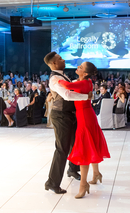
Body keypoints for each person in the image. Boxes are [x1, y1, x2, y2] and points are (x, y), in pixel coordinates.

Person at [56, 61, 110, 199]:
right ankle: (96, 173)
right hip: (86, 115)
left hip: (85, 117)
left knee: (85, 150)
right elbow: (73, 84)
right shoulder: (86, 81)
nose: (77, 67)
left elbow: (67, 85)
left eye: (80, 67)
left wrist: (57, 79)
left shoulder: (84, 83)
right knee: (90, 145)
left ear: (85, 73)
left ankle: (83, 184)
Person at [43, 51, 92, 194]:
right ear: (54, 63)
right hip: (61, 115)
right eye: (60, 59)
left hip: (69, 114)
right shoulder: (54, 79)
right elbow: (67, 95)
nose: (63, 60)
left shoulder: (62, 75)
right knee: (61, 148)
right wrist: (86, 97)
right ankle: (52, 182)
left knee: (73, 144)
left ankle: (73, 169)